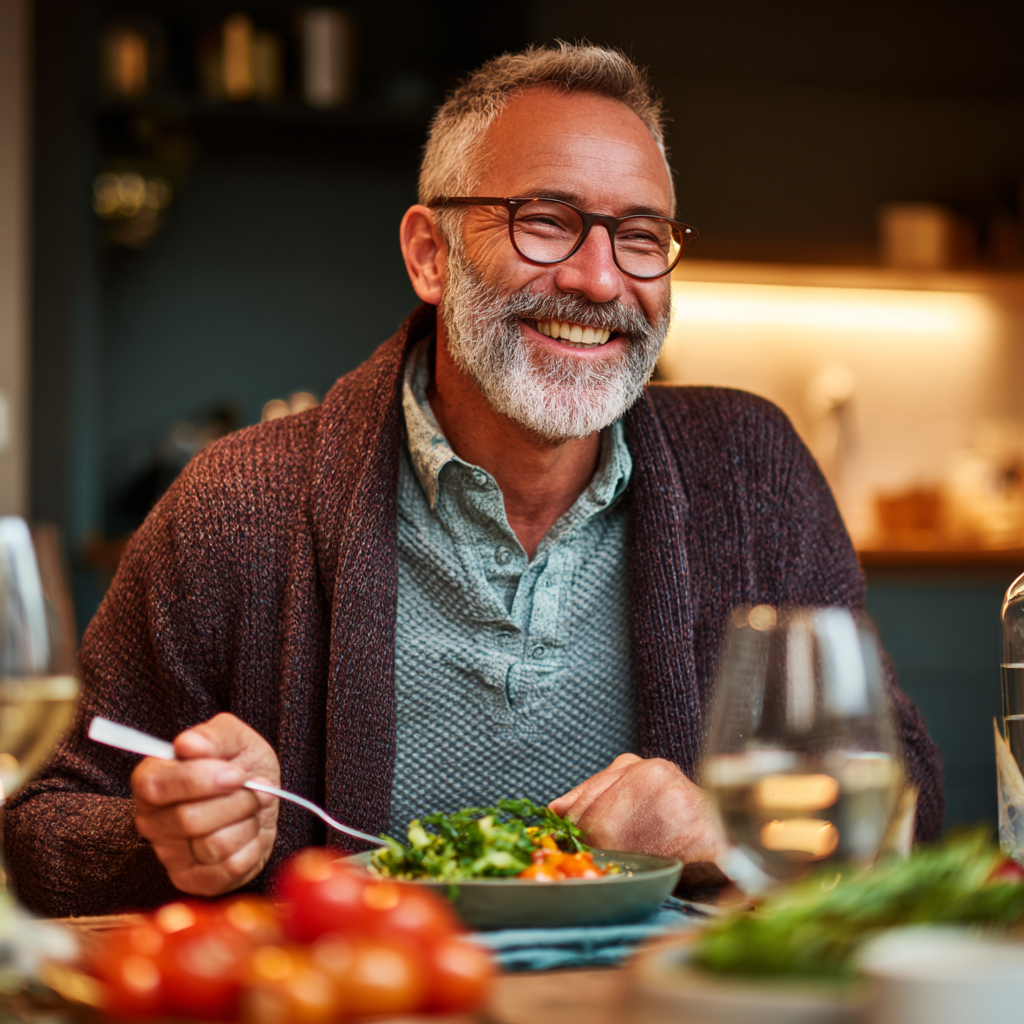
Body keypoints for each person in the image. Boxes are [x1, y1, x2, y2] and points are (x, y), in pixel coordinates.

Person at [6, 44, 942, 915]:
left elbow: (907, 805)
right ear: (429, 254)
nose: (600, 279)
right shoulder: (236, 508)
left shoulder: (752, 472)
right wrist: (161, 834)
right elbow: (37, 819)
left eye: (642, 236)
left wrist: (720, 831)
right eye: (546, 222)